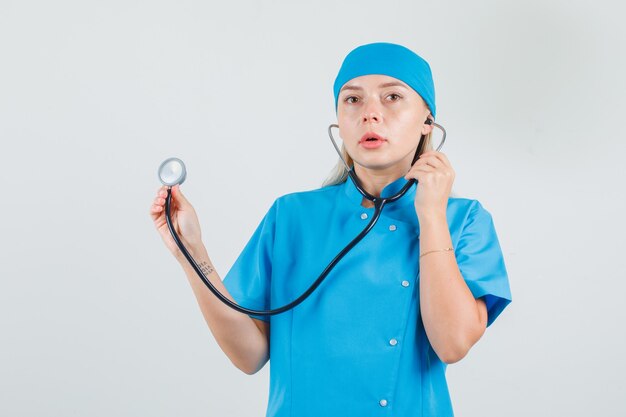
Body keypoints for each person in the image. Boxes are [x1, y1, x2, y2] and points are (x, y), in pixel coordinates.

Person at [149, 42, 512, 417]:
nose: (371, 114)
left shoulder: (464, 220)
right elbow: (249, 355)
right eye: (353, 100)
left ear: (427, 121)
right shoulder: (291, 215)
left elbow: (452, 344)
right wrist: (190, 253)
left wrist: (432, 214)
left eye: (392, 97)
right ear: (339, 122)